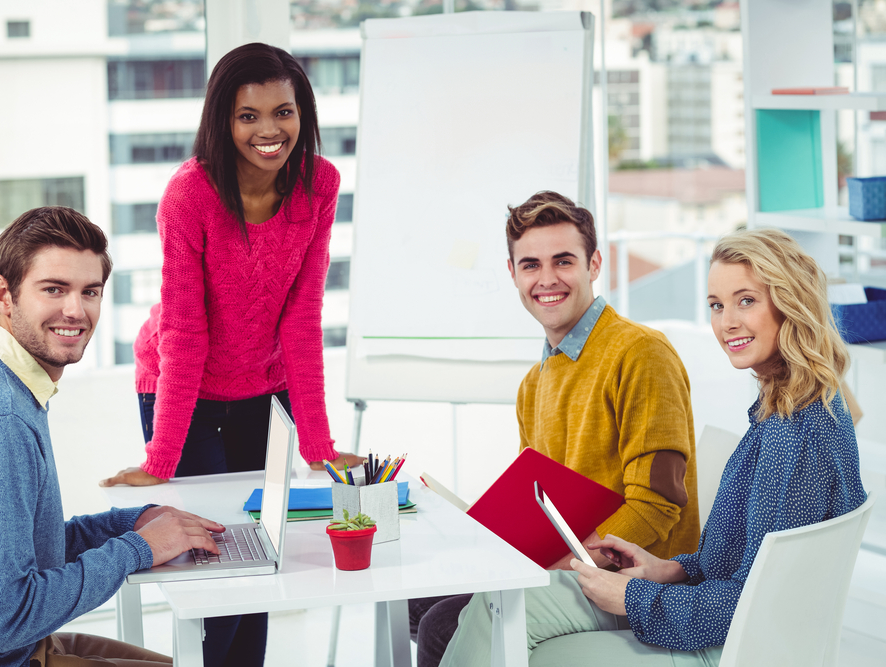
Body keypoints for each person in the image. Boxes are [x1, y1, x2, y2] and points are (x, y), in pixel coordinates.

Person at [436, 227, 867, 665]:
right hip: (708, 615)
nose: (727, 322)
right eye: (717, 306)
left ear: (790, 302)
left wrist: (635, 597)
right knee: (495, 610)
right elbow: (741, 559)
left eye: (747, 300)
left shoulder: (794, 435)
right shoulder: (785, 408)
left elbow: (754, 602)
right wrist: (670, 570)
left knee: (506, 630)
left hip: (734, 647)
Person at [99, 43, 365, 665]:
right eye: (249, 116)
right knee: (215, 572)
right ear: (223, 119)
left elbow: (302, 320)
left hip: (263, 390)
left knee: (259, 565)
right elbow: (184, 332)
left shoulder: (318, 185)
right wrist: (161, 459)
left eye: (284, 112)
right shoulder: (189, 196)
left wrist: (319, 447)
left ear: (304, 114)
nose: (269, 131)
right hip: (183, 388)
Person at [0, 207, 224, 667]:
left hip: (5, 648)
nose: (76, 310)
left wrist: (131, 523)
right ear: (4, 294)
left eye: (90, 292)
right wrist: (139, 549)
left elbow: (20, 551)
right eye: (54, 290)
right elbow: (7, 620)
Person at [412, 191, 701, 667]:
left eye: (563, 261)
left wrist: (559, 564)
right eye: (530, 265)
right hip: (564, 565)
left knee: (441, 624)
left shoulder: (641, 353)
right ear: (512, 274)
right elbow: (537, 502)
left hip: (634, 581)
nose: (546, 280)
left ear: (594, 265)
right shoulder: (535, 382)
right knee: (420, 599)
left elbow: (658, 506)